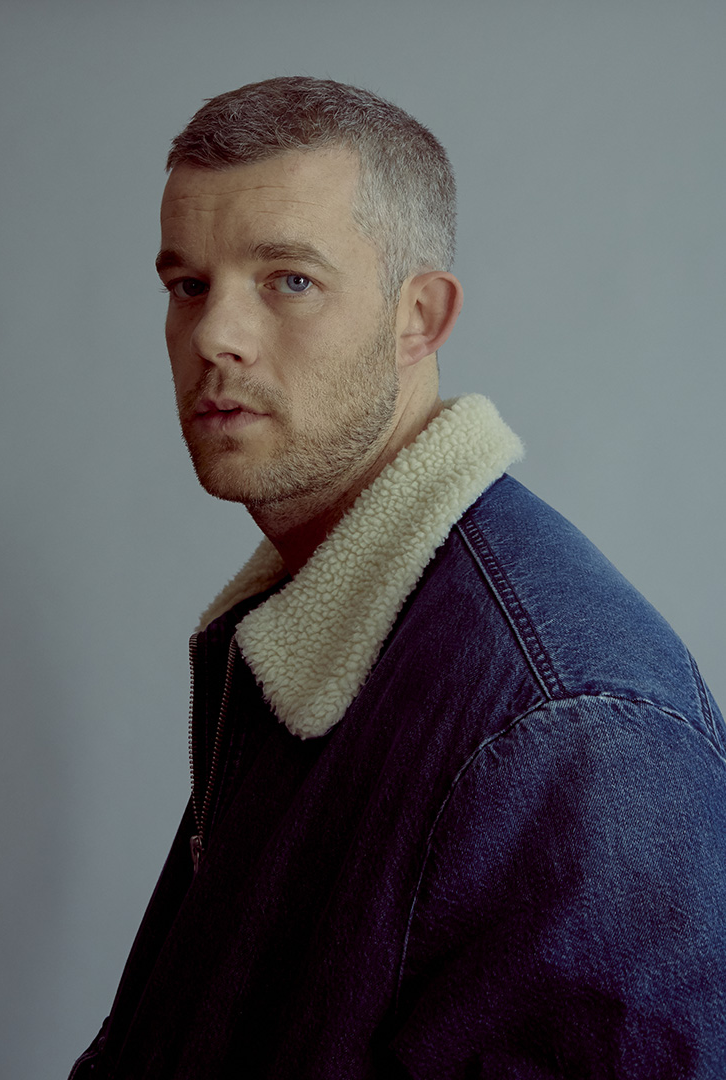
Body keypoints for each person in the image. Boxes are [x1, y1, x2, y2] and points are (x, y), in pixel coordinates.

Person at [69, 77, 726, 1079]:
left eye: (288, 280)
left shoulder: (567, 726)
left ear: (418, 315)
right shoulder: (305, 633)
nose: (212, 336)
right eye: (188, 285)